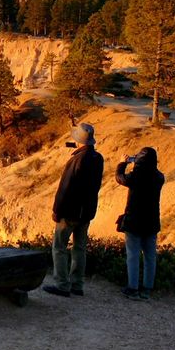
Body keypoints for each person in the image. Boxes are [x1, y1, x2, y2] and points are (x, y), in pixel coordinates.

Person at [44, 123, 104, 297]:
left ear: (78, 141)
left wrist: (57, 209)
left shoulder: (77, 159)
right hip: (87, 212)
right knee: (80, 248)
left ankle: (62, 285)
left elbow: (65, 187)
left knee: (59, 247)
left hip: (70, 211)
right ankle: (77, 284)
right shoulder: (98, 158)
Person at [116, 147, 165, 301]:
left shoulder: (136, 176)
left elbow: (119, 178)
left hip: (134, 222)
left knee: (133, 255)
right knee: (150, 257)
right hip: (152, 222)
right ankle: (147, 290)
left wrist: (122, 163)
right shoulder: (159, 177)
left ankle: (132, 288)